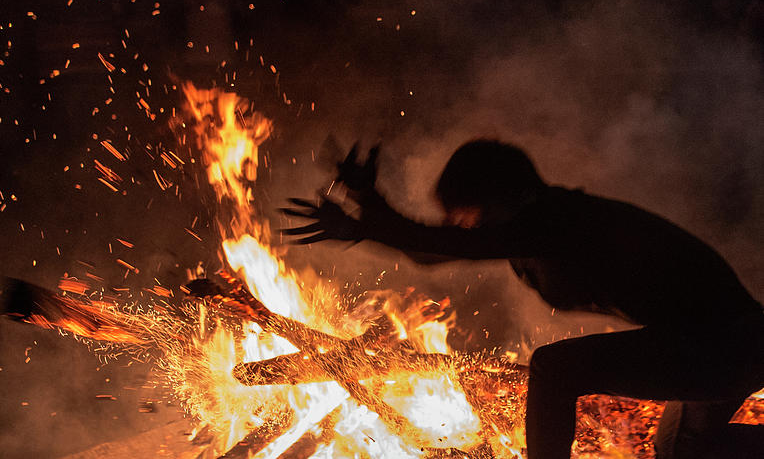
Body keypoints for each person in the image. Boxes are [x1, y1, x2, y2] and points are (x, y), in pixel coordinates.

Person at [283, 140, 764, 458]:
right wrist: (369, 201)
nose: (463, 226)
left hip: (726, 346)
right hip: (725, 346)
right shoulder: (538, 225)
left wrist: (365, 222)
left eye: (466, 214)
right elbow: (431, 254)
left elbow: (450, 246)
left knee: (555, 368)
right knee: (682, 451)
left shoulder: (557, 219)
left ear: (500, 198)